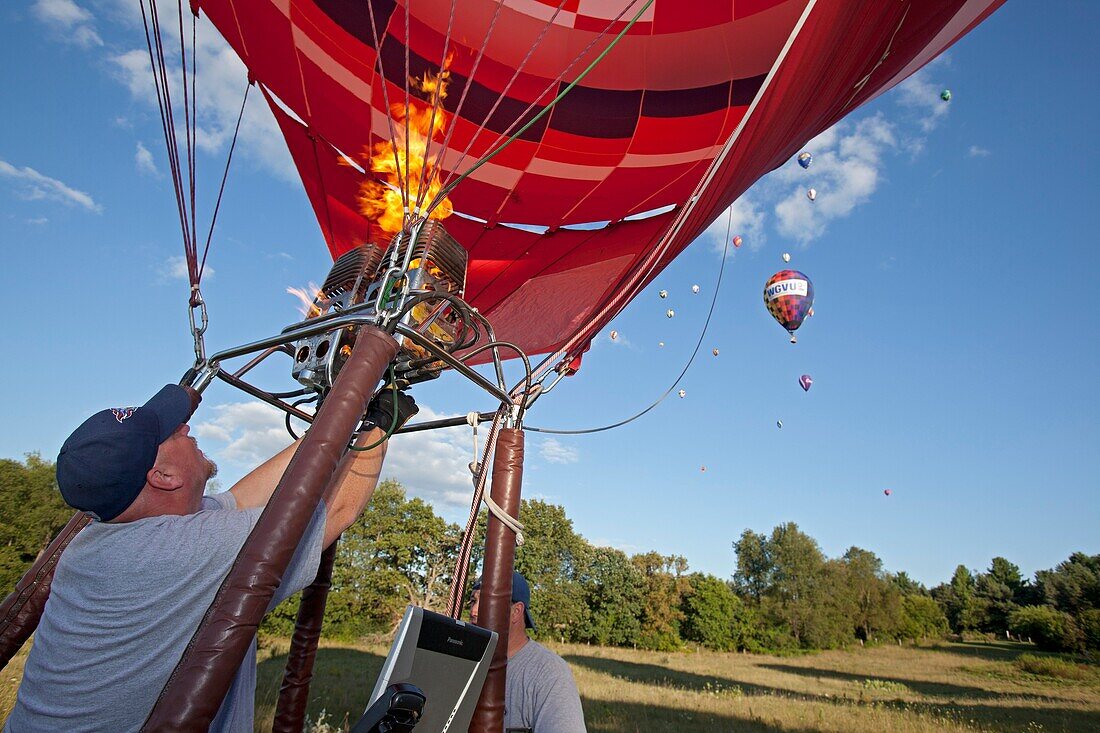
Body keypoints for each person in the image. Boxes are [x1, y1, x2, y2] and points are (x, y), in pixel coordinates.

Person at [5, 383, 416, 733]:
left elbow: (241, 499)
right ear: (163, 476)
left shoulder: (104, 540)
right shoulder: (174, 552)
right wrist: (380, 427)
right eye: (171, 432)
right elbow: (334, 511)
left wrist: (339, 418)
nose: (186, 427)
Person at [470, 571, 587, 733]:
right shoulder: (465, 665)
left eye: (486, 602)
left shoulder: (548, 672)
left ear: (516, 612)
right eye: (473, 601)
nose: (473, 611)